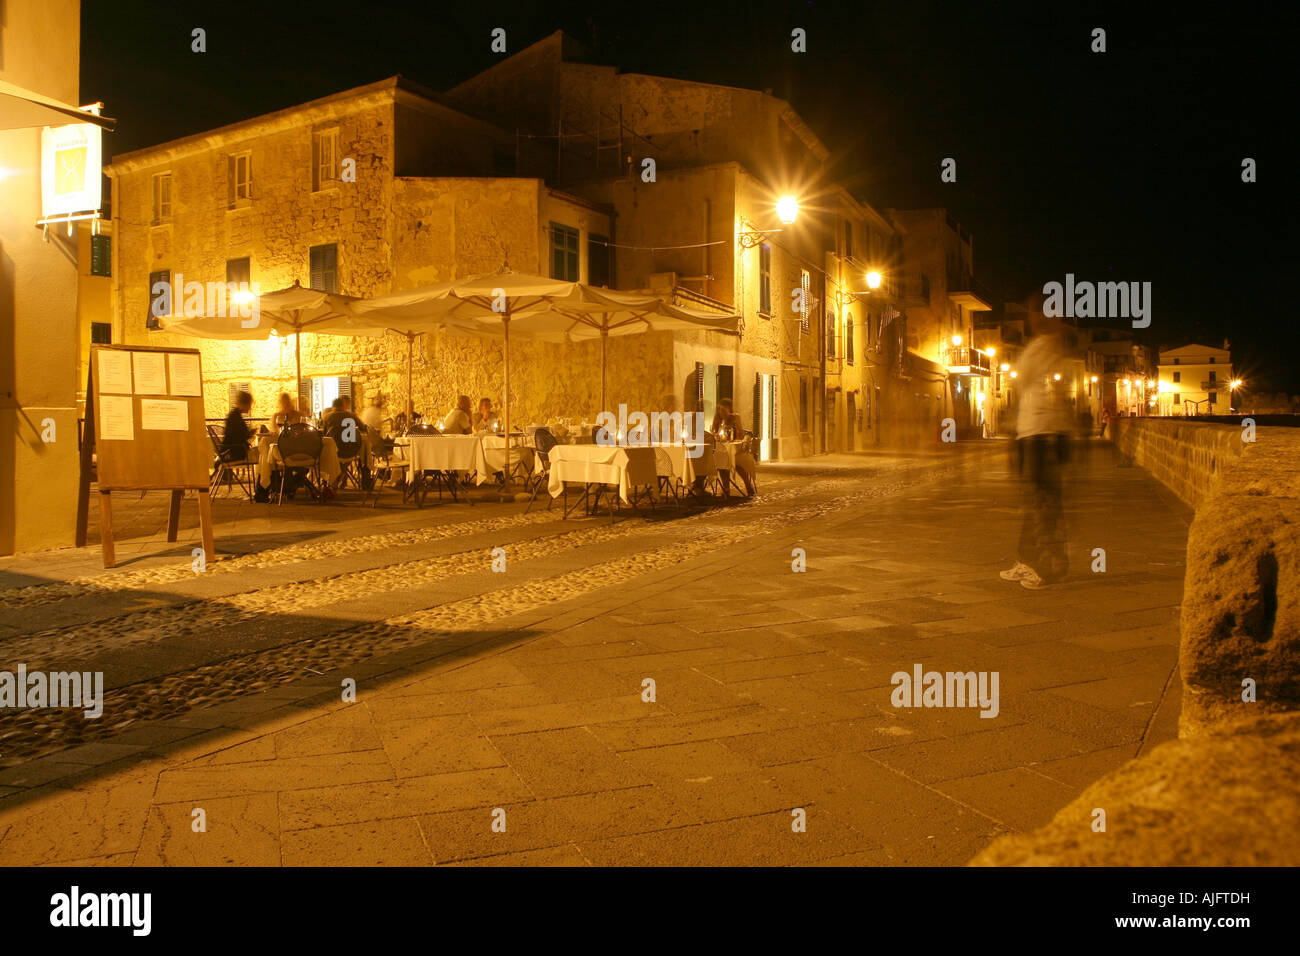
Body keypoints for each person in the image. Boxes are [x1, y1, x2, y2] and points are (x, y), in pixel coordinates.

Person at [1000, 296, 1073, 590]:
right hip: (1040, 435)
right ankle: (1028, 560)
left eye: (1035, 312)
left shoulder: (1044, 348)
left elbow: (1030, 394)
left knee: (1041, 504)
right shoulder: (1054, 347)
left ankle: (1043, 568)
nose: (1033, 318)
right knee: (1038, 502)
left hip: (1039, 436)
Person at [220, 391, 254, 463]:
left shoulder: (234, 415)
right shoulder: (236, 418)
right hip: (236, 452)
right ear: (244, 404)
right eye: (249, 405)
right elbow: (242, 436)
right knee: (260, 454)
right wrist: (251, 433)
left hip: (230, 450)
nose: (250, 408)